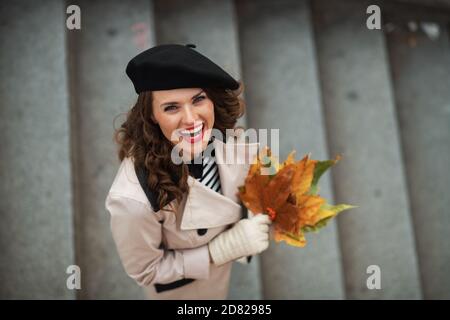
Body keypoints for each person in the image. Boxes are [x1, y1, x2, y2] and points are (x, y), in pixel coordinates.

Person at [105, 44, 272, 299]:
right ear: (151, 115)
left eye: (198, 99)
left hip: (219, 276)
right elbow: (146, 271)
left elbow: (252, 169)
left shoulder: (225, 136)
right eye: (171, 107)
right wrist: (219, 251)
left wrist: (261, 209)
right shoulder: (132, 201)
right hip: (188, 291)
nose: (192, 119)